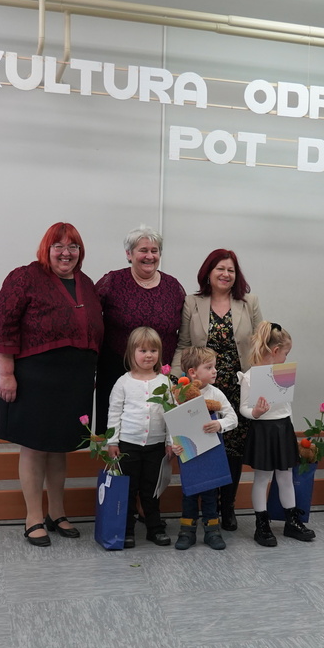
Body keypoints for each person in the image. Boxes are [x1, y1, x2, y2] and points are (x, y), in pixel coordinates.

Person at [0, 222, 103, 547]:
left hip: (74, 380)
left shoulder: (86, 283)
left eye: (73, 246)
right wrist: (6, 374)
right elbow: (2, 325)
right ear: (46, 249)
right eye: (58, 246)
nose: (66, 253)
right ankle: (33, 517)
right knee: (35, 447)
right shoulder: (25, 277)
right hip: (34, 377)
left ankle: (57, 512)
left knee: (60, 447)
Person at [176, 249, 263, 532]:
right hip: (202, 389)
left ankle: (228, 507)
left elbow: (260, 345)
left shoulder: (249, 302)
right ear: (208, 273)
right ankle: (205, 507)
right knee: (204, 446)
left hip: (238, 389)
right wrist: (178, 383)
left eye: (231, 270)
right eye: (220, 269)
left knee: (233, 449)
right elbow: (184, 345)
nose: (226, 274)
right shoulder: (192, 302)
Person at [94, 226, 186, 432]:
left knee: (157, 432)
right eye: (143, 250)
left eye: (154, 251)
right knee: (116, 433)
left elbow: (184, 334)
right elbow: (90, 321)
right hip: (115, 374)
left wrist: (175, 374)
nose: (149, 256)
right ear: (129, 254)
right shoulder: (112, 282)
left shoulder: (173, 287)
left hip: (160, 377)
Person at [239, 323, 315, 546]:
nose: (286, 358)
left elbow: (285, 406)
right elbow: (243, 408)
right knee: (262, 478)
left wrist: (290, 429)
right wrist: (255, 412)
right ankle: (262, 525)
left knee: (285, 476)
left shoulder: (282, 375)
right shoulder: (250, 377)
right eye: (285, 353)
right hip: (263, 431)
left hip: (283, 429)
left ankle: (292, 521)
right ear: (275, 351)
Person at [105, 327, 174, 548]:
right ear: (131, 352)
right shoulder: (123, 382)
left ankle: (154, 528)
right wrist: (112, 441)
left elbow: (171, 414)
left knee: (151, 488)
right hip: (128, 445)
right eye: (143, 350)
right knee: (128, 488)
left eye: (153, 350)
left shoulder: (165, 382)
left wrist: (170, 441)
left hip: (156, 445)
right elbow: (114, 413)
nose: (148, 355)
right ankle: (126, 530)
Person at [172, 346, 238, 551]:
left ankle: (212, 531)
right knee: (189, 493)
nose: (215, 371)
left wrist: (220, 424)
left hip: (211, 451)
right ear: (192, 372)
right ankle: (187, 531)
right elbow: (171, 421)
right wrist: (172, 444)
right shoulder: (179, 394)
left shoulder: (215, 393)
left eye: (214, 367)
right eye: (209, 367)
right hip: (188, 451)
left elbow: (233, 418)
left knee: (210, 492)